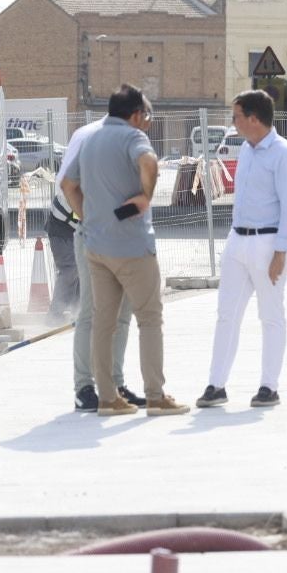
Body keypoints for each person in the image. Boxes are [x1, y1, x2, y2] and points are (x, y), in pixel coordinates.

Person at [60, 85, 188, 417]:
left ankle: (107, 397)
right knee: (149, 318)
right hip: (131, 245)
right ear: (135, 115)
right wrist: (145, 196)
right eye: (146, 116)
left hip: (96, 244)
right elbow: (149, 161)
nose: (147, 123)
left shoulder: (89, 140)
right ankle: (156, 396)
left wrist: (91, 215)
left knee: (103, 321)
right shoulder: (133, 138)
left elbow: (67, 184)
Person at [199, 89, 287, 410]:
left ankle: (268, 387)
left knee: (270, 316)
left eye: (237, 117)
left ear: (254, 119)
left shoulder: (285, 154)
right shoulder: (245, 150)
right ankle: (216, 385)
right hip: (237, 241)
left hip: (268, 242)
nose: (233, 123)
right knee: (226, 315)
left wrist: (281, 252)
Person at [52, 116, 137, 412]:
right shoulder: (87, 137)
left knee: (122, 314)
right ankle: (84, 387)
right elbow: (66, 184)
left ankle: (114, 383)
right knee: (92, 312)